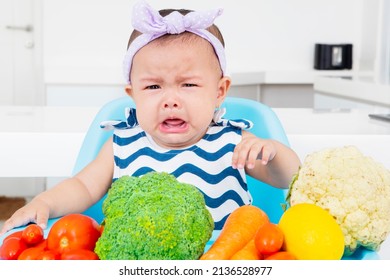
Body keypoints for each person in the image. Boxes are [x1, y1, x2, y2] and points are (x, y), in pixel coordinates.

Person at [0, 1, 300, 234]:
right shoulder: (123, 142)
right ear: (133, 94)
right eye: (153, 86)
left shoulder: (233, 141)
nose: (171, 100)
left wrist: (272, 154)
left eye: (189, 85)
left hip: (224, 260)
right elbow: (83, 186)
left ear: (219, 91)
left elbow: (288, 179)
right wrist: (44, 202)